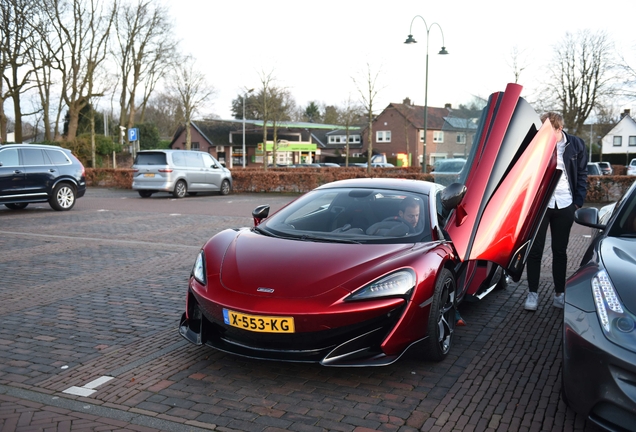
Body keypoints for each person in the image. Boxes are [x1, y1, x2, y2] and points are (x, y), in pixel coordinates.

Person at [525, 112, 588, 311]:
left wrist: (577, 203)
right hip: (541, 205)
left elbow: (582, 174)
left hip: (565, 203)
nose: (544, 135)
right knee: (534, 251)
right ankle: (532, 294)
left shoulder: (576, 145)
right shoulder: (537, 145)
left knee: (560, 251)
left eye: (548, 131)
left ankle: (559, 294)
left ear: (559, 129)